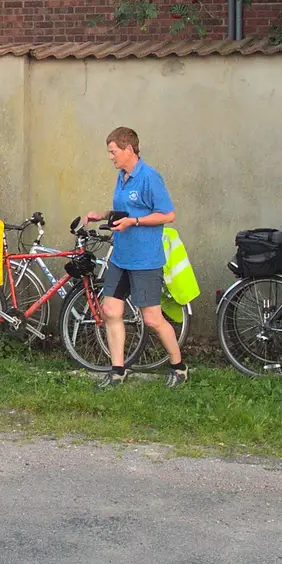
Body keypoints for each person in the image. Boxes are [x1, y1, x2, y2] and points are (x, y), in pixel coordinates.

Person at [85, 126, 187, 389]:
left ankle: (179, 367)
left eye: (113, 152)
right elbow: (125, 210)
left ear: (129, 149)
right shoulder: (122, 175)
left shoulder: (150, 177)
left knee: (152, 318)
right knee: (110, 310)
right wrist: (106, 216)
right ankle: (118, 371)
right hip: (121, 257)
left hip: (145, 260)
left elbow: (168, 215)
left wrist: (135, 221)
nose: (110, 157)